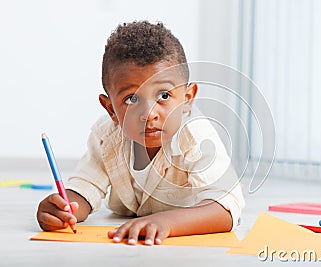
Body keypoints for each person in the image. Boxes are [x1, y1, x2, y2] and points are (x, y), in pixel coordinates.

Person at [36, 21, 245, 246]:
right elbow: (86, 188)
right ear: (110, 109)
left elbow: (226, 208)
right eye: (131, 99)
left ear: (187, 99)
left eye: (164, 95)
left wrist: (167, 222)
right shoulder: (106, 135)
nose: (149, 113)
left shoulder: (196, 136)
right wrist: (64, 210)